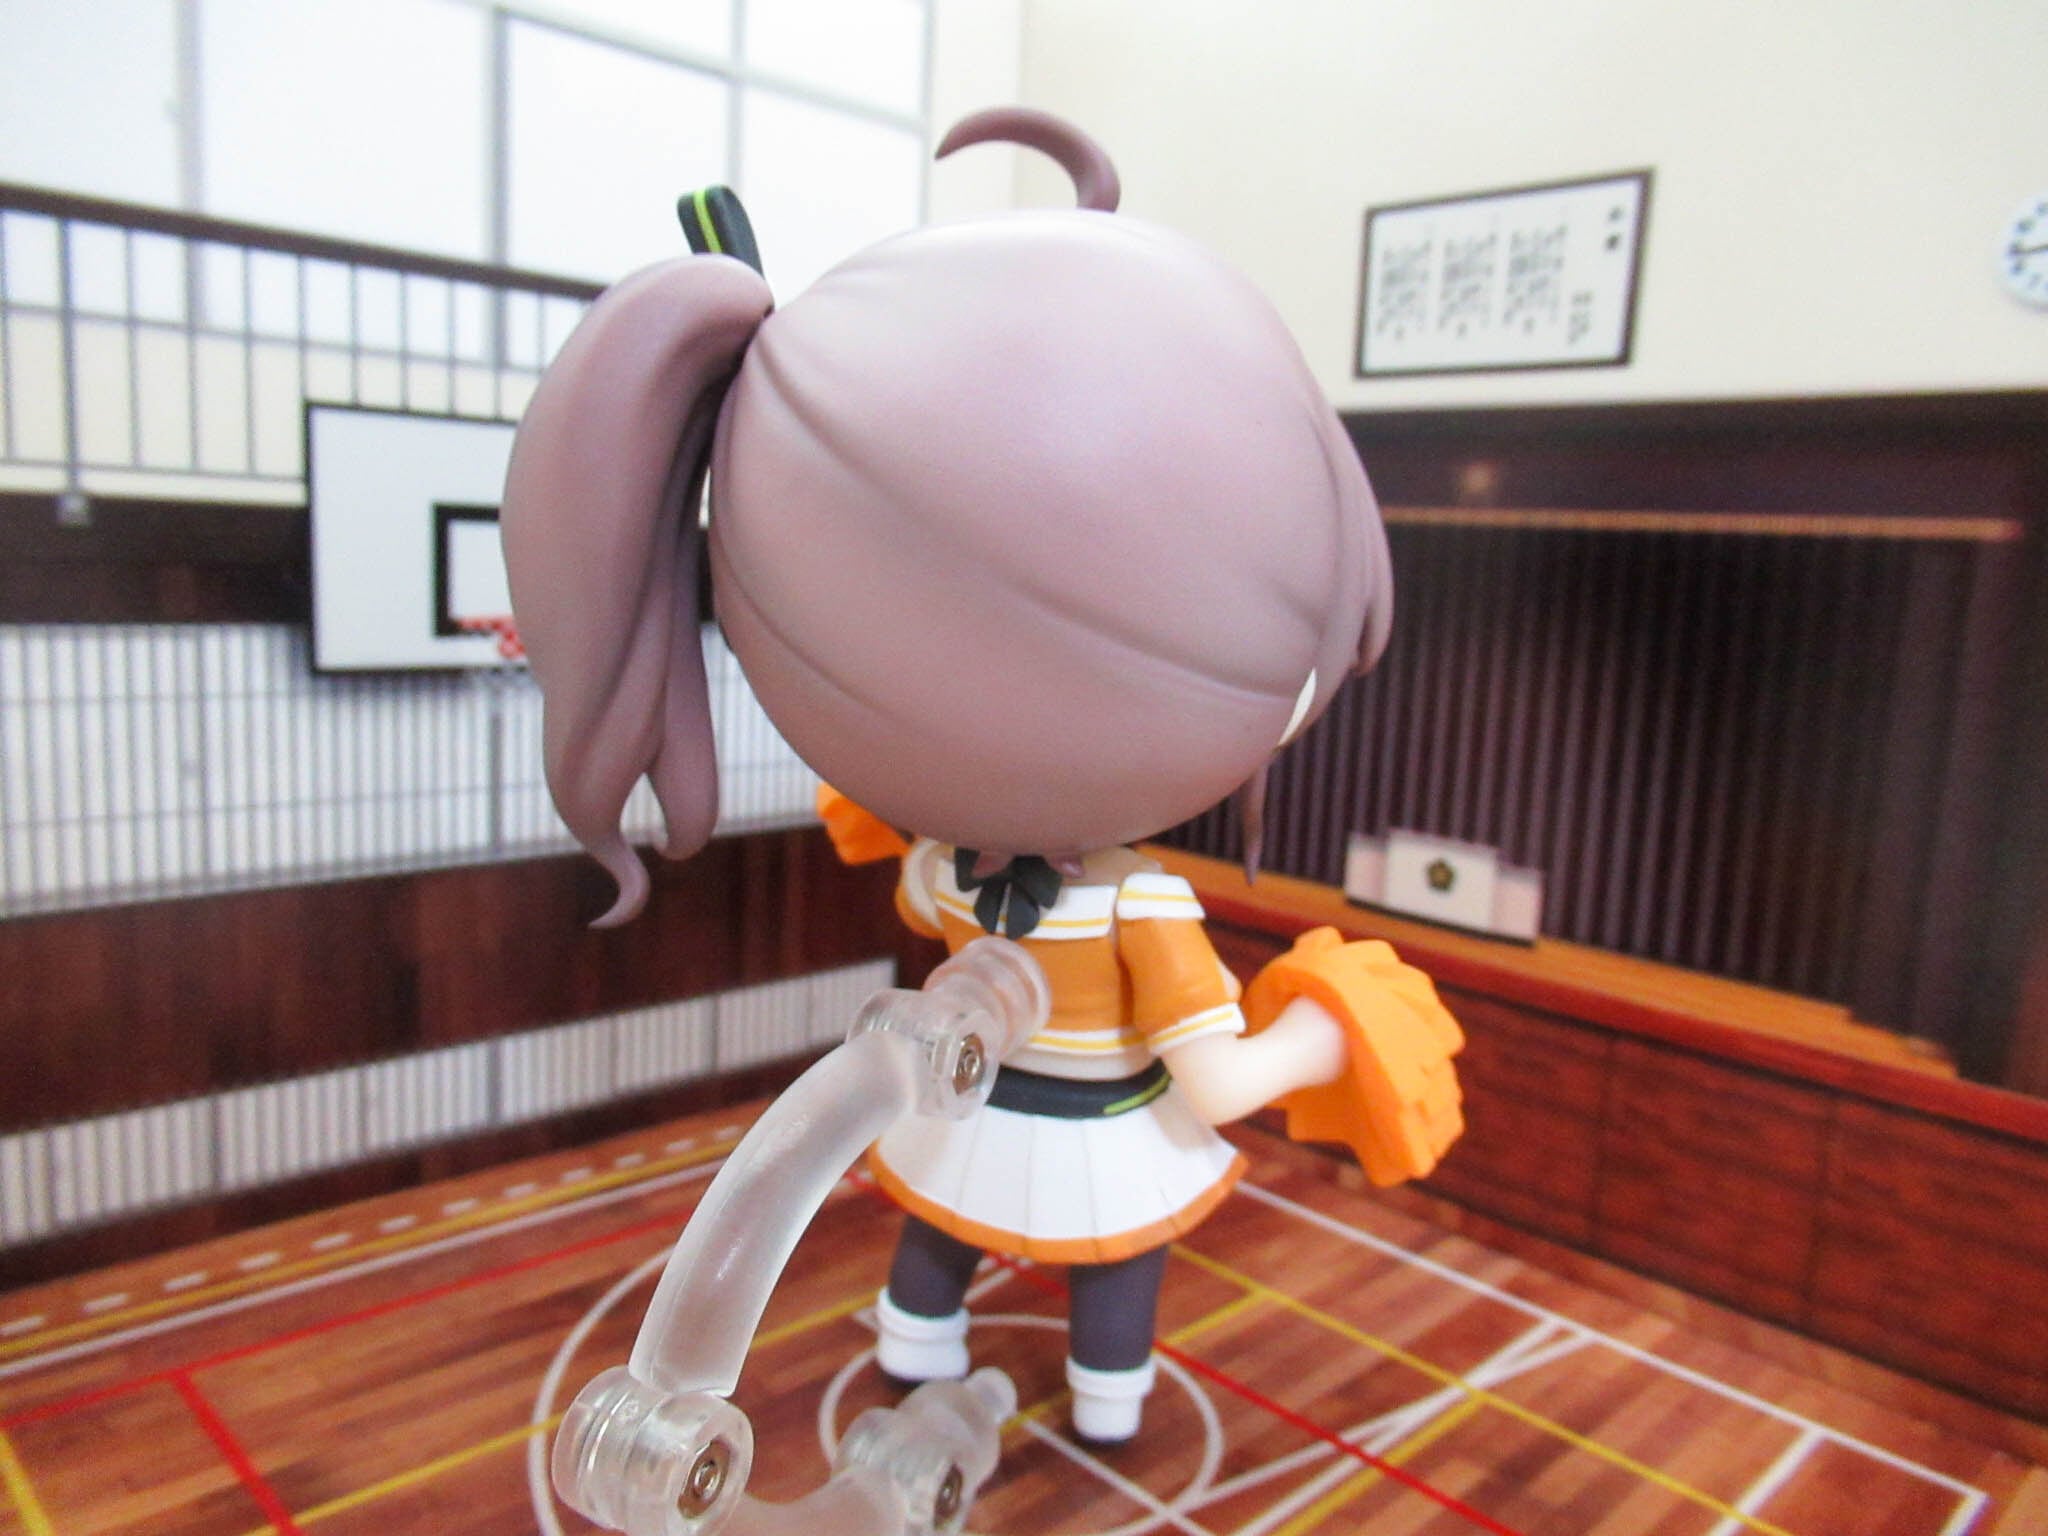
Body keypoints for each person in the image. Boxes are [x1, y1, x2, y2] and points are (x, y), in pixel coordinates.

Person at [501, 105, 1462, 1446]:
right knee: (1112, 1266)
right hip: (1084, 1129)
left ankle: (923, 1338)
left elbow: (925, 914)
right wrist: (1337, 1023)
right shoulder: (1140, 906)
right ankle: (1100, 1396)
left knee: (942, 1238)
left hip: (970, 1119)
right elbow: (1220, 1085)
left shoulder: (940, 867)